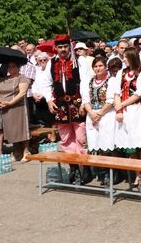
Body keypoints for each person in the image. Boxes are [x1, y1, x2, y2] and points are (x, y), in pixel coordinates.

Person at [44, 34, 90, 183]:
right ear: (56, 48)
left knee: (81, 137)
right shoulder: (52, 63)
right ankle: (73, 168)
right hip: (61, 105)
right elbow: (45, 83)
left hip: (76, 103)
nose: (63, 50)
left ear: (69, 46)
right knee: (65, 138)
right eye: (60, 47)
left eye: (65, 47)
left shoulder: (79, 61)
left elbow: (84, 82)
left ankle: (85, 168)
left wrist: (84, 102)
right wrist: (49, 100)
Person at [113, 48, 141, 188]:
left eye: (125, 57)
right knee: (130, 145)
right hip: (125, 111)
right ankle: (136, 174)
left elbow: (139, 93)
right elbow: (116, 91)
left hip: (138, 110)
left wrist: (121, 105)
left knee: (140, 145)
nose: (123, 60)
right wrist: (119, 108)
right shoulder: (121, 72)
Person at [80, 56, 115, 184]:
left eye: (100, 65)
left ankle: (109, 172)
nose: (98, 68)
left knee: (106, 144)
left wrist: (99, 114)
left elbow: (111, 100)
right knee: (94, 144)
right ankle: (100, 170)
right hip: (92, 114)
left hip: (106, 114)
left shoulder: (111, 80)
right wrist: (91, 113)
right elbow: (85, 99)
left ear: (105, 66)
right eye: (95, 66)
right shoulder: (89, 82)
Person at [0, 62, 31, 162]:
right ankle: (17, 151)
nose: (11, 68)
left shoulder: (22, 78)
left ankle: (26, 151)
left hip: (18, 107)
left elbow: (22, 93)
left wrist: (10, 103)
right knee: (10, 130)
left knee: (21, 129)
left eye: (13, 66)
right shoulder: (4, 79)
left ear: (18, 67)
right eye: (9, 67)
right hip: (4, 107)